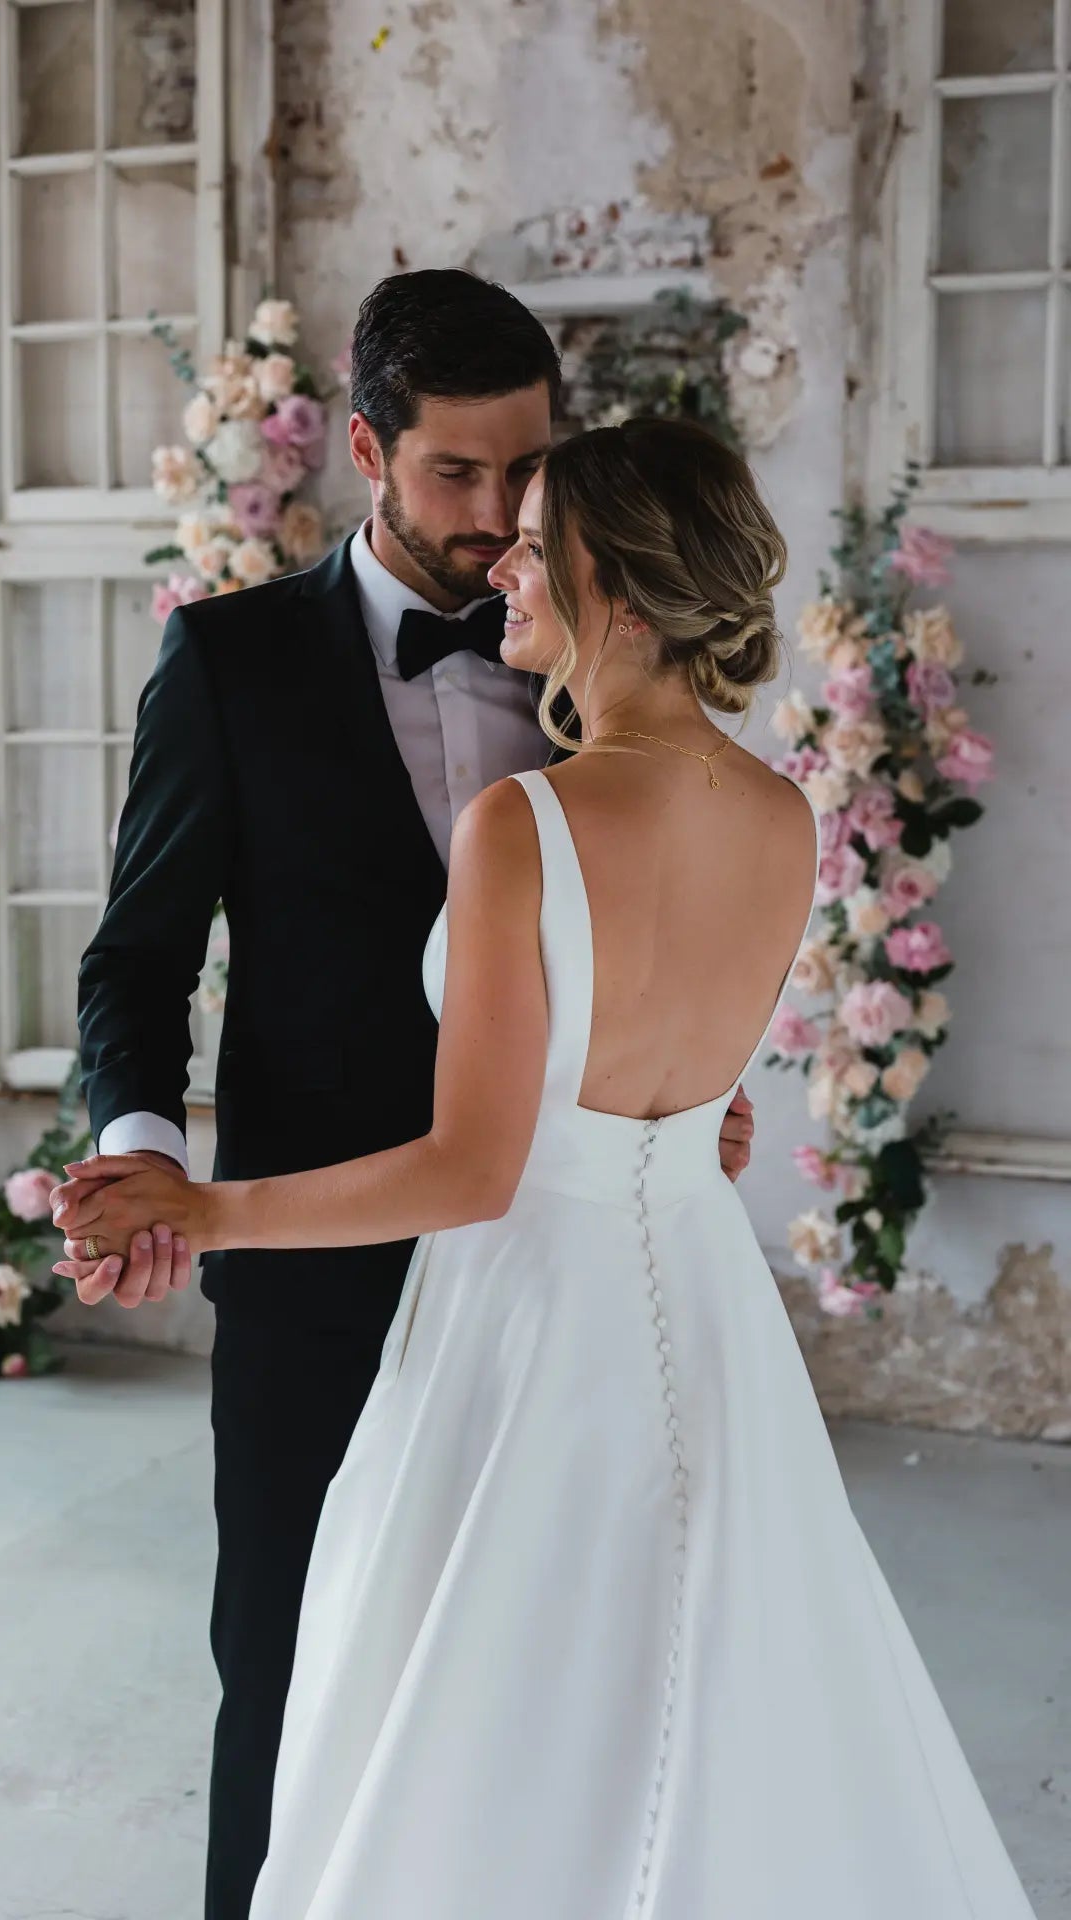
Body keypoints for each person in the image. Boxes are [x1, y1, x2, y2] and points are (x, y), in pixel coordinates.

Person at [54, 415, 1038, 1918]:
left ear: (621, 596)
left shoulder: (525, 823)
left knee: (488, 1708)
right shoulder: (785, 816)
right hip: (703, 1304)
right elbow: (683, 1095)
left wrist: (203, 1209)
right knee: (714, 1684)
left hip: (525, 1325)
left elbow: (474, 1171)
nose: (503, 567)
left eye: (535, 547)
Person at [61, 272, 758, 1920]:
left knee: (548, 1695)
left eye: (528, 471)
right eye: (458, 472)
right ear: (366, 451)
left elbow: (649, 929)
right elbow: (135, 961)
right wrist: (146, 1165)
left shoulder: (591, 655)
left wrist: (671, 1103)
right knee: (289, 1673)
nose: (503, 518)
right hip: (314, 1275)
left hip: (551, 1293)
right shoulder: (227, 663)